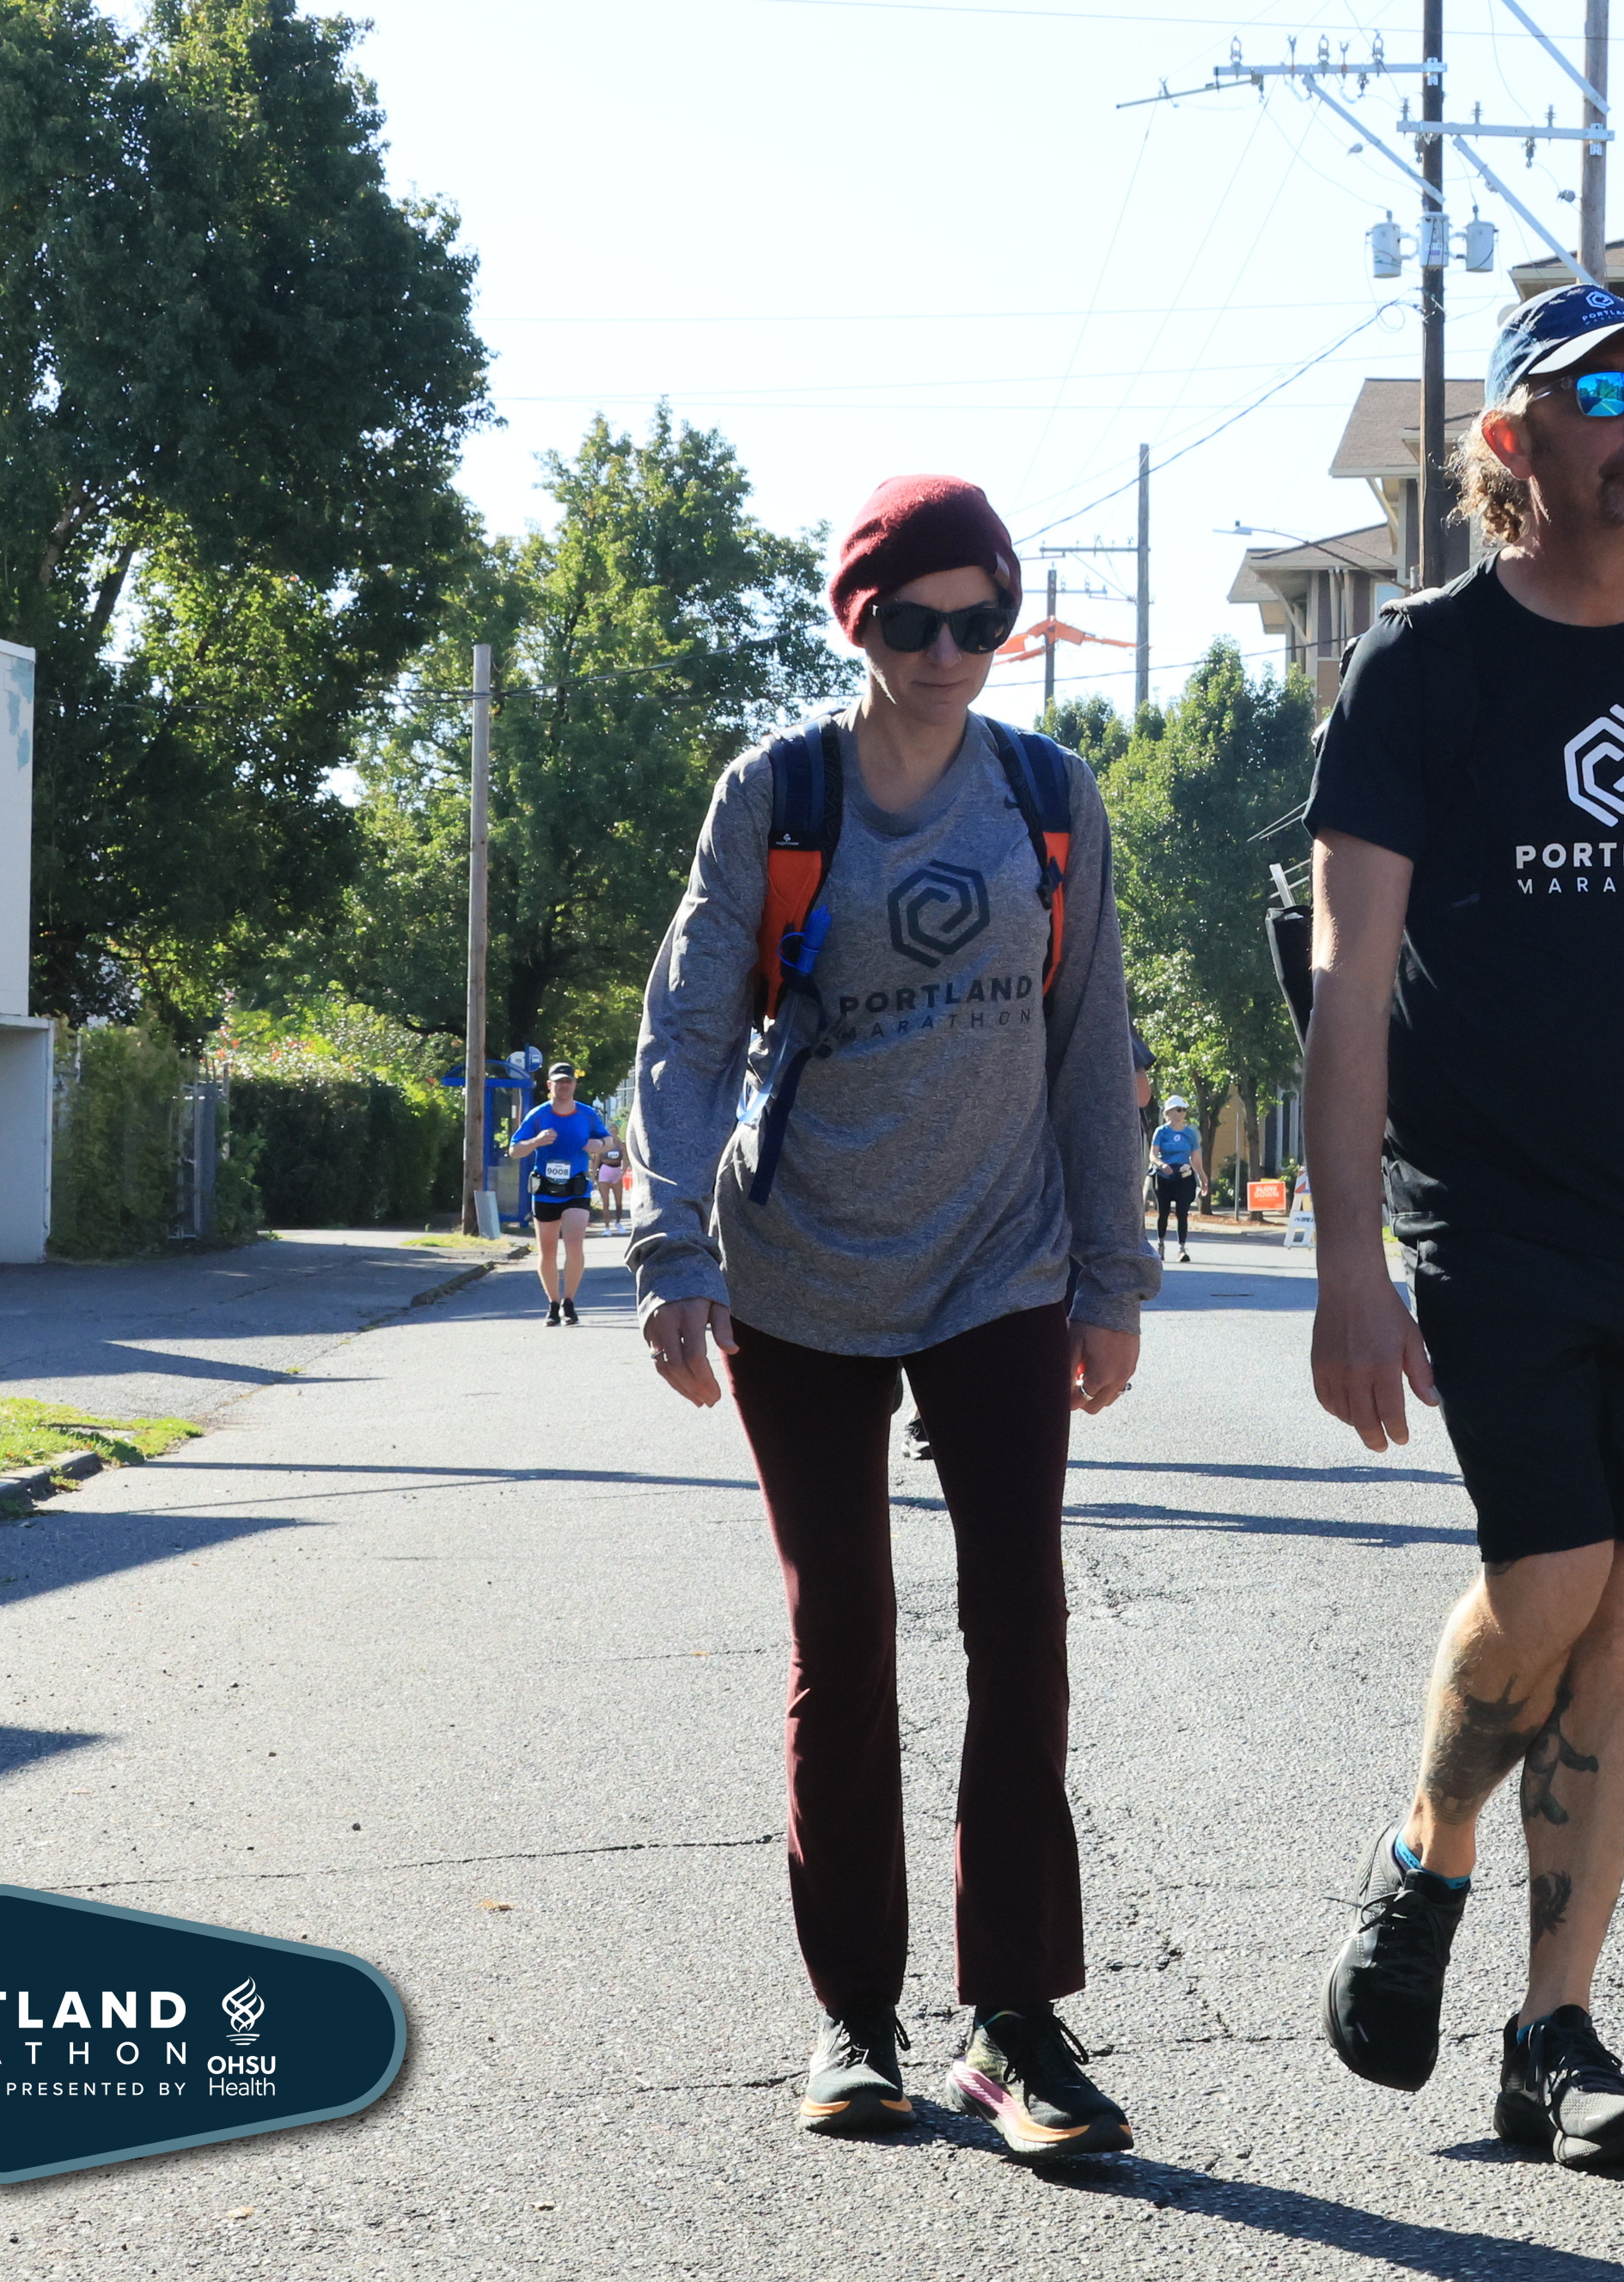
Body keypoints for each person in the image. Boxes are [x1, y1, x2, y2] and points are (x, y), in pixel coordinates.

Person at [1302, 284, 1624, 2169]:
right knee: (1551, 1574)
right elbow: (1348, 984)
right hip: (1489, 1206)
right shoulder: (1421, 669)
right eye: (1606, 391)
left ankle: (1554, 2032)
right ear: (1511, 439)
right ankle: (1426, 1847)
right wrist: (1349, 1267)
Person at [625, 472, 1157, 2160]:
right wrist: (671, 1250)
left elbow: (1088, 1036)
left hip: (1002, 1259)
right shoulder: (777, 794)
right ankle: (856, 2012)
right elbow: (690, 1030)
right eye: (913, 622)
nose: (948, 652)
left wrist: (1113, 1272)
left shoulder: (1048, 796)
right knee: (842, 1631)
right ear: (857, 623)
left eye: (980, 621)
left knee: (1021, 1621)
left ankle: (1014, 2022)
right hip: (802, 1263)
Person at [508, 1061, 608, 1325]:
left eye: (568, 1081)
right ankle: (553, 1304)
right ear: (549, 1085)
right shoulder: (538, 1115)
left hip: (576, 1189)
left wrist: (599, 1143)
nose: (564, 1086)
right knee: (548, 1250)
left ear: (574, 1085)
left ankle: (569, 1302)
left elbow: (608, 1140)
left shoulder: (587, 1114)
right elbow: (515, 1150)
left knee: (574, 1245)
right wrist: (536, 1141)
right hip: (545, 1190)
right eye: (559, 1082)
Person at [1147, 1095, 1202, 1261]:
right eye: (1179, 1110)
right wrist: (1161, 1164)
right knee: (1163, 1212)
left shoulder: (1189, 1133)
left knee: (1182, 1212)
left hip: (1184, 1177)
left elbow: (1195, 1158)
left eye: (1184, 1110)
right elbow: (1153, 1155)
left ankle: (1182, 1249)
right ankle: (1161, 1245)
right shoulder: (1161, 1132)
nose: (1182, 1113)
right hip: (1164, 1177)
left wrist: (1203, 1177)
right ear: (1169, 1112)